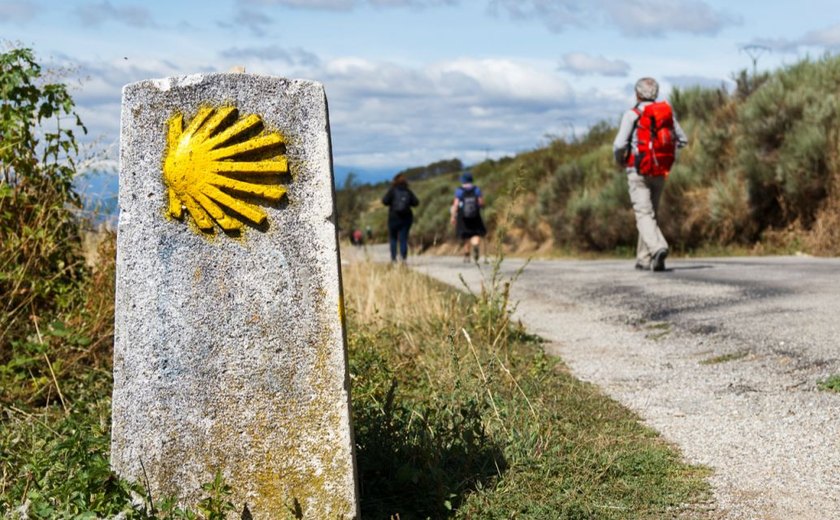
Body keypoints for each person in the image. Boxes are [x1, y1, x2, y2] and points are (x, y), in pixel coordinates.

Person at [613, 77, 688, 272]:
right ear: (655, 93)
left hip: (637, 170)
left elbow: (619, 144)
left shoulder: (632, 115)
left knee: (643, 214)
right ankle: (643, 259)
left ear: (637, 93)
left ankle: (657, 248)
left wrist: (620, 159)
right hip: (660, 170)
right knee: (650, 214)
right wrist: (665, 155)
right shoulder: (665, 114)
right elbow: (682, 139)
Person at [381, 173, 419, 263]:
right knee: (403, 239)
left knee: (393, 238)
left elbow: (384, 201)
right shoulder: (408, 191)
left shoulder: (392, 190)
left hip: (393, 217)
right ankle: (403, 259)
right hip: (406, 218)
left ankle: (393, 259)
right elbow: (416, 202)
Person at [450, 171, 486, 263]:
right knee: (475, 233)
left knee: (465, 235)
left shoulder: (459, 190)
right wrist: (480, 207)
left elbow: (456, 204)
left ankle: (467, 255)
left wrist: (453, 216)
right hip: (475, 215)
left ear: (462, 180)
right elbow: (481, 203)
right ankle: (475, 245)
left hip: (463, 216)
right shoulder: (476, 189)